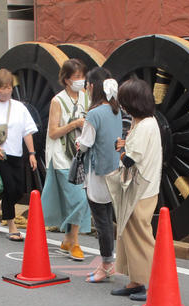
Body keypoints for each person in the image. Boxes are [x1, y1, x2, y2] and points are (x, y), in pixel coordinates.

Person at [110, 78, 162, 301]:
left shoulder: (144, 126)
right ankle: (135, 282)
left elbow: (130, 159)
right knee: (130, 234)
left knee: (140, 236)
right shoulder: (147, 122)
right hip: (143, 186)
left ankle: (154, 284)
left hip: (140, 189)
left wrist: (120, 151)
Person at [0, 68, 38, 241]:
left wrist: (32, 153)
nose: (7, 90)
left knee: (18, 191)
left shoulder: (19, 107)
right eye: (3, 87)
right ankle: (11, 225)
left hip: (17, 154)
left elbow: (27, 131)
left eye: (9, 86)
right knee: (9, 188)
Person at [41, 59, 91, 261]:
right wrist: (75, 124)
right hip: (61, 157)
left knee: (80, 199)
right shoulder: (57, 101)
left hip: (80, 157)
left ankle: (69, 240)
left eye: (82, 77)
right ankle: (74, 241)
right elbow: (53, 132)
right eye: (77, 77)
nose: (81, 81)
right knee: (79, 199)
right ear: (66, 79)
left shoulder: (85, 97)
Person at [78, 67, 122, 282]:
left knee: (101, 221)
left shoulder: (94, 113)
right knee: (107, 218)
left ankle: (106, 265)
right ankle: (108, 262)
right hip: (113, 170)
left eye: (87, 85)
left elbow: (85, 144)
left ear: (93, 87)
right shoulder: (116, 110)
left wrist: (78, 142)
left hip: (96, 173)